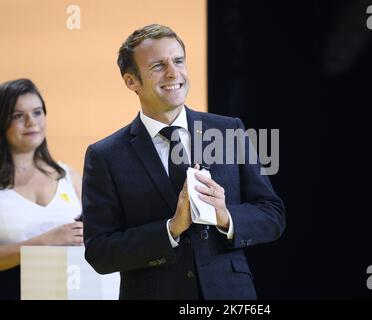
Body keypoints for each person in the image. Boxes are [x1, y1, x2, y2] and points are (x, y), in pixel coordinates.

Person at [82, 24, 285, 300]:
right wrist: (171, 228)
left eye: (178, 61)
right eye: (158, 66)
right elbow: (100, 251)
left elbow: (272, 215)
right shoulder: (105, 155)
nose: (173, 73)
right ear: (131, 81)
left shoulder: (229, 131)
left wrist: (225, 216)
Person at [0, 79, 83, 300]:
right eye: (18, 116)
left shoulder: (70, 177)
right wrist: (45, 241)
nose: (31, 122)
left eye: (37, 112)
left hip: (73, 291)